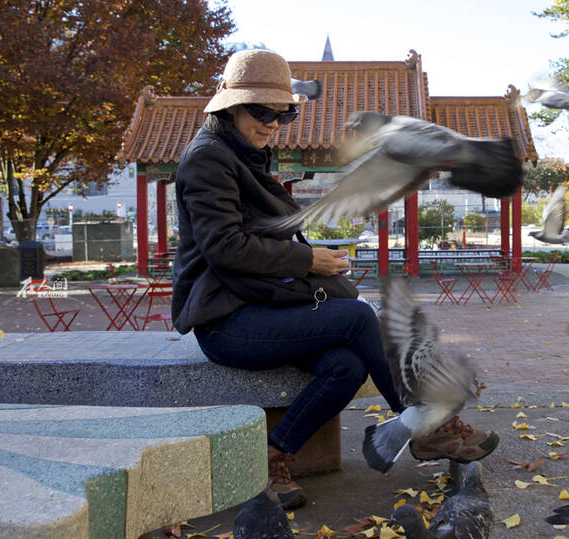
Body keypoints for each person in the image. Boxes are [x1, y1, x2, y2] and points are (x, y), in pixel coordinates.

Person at [172, 50, 498, 510]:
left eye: (283, 114)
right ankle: (428, 428)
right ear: (231, 107)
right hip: (226, 320)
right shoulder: (209, 159)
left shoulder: (242, 153)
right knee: (359, 318)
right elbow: (225, 247)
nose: (272, 124)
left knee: (345, 365)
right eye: (261, 112)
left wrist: (308, 260)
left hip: (259, 305)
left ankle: (272, 457)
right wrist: (308, 261)